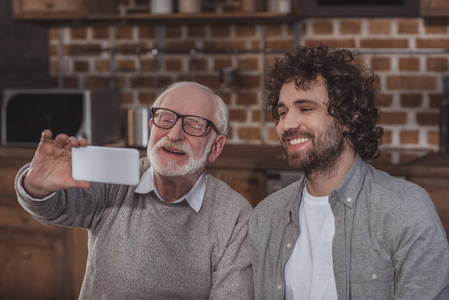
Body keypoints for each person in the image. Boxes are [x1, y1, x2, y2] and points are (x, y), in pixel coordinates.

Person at [15, 81, 253, 299]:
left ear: (215, 147)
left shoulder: (234, 215)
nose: (174, 134)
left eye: (194, 125)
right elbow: (53, 208)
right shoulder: (116, 179)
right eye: (166, 119)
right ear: (151, 128)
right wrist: (36, 187)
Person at [248, 44, 449, 299]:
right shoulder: (266, 217)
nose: (287, 124)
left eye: (306, 108)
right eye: (282, 112)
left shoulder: (405, 211)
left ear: (347, 119)